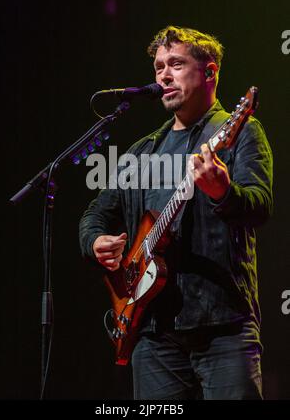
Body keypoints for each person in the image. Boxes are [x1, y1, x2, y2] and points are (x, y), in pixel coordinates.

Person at [79, 26, 273, 400]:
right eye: (158, 67)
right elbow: (95, 214)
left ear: (209, 72)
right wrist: (95, 241)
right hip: (152, 333)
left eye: (176, 64)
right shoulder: (142, 151)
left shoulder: (241, 131)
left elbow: (260, 208)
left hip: (223, 327)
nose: (164, 75)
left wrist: (223, 192)